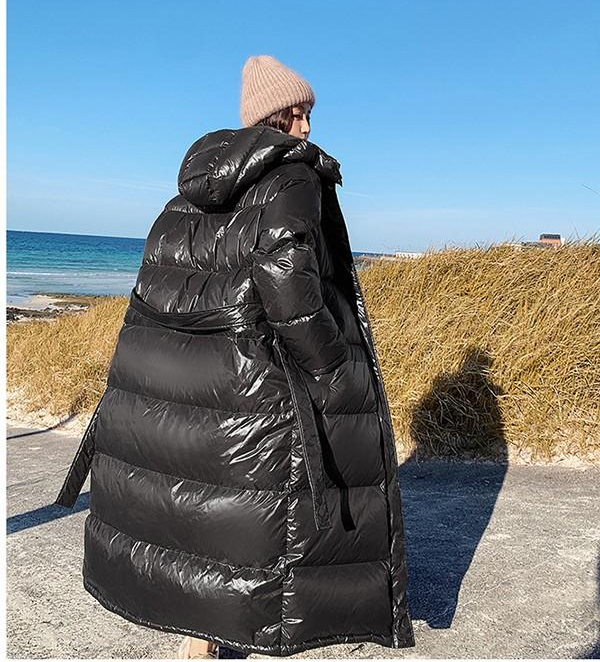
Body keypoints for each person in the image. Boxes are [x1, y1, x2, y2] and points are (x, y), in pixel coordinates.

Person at [54, 55, 415, 659]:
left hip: (194, 379)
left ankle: (199, 641)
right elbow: (288, 282)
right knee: (252, 527)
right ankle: (215, 640)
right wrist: (332, 370)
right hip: (253, 382)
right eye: (295, 114)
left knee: (206, 518)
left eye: (308, 113)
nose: (306, 127)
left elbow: (156, 290)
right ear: (272, 118)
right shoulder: (293, 177)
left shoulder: (184, 198)